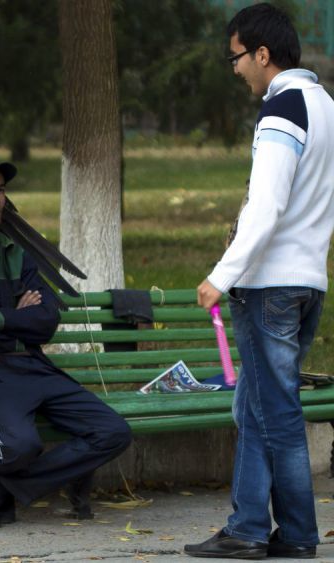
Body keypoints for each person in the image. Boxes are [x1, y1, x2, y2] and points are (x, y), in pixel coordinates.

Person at [189, 3, 334, 560]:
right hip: (306, 282)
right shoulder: (323, 105)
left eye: (237, 58)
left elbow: (268, 204)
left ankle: (296, 534)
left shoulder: (281, 110)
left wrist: (221, 276)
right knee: (255, 407)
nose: (235, 69)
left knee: (275, 413)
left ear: (263, 54)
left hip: (270, 285)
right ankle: (249, 527)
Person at [0, 155, 132, 528]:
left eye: (0, 190)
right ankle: (6, 485)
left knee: (112, 431)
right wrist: (15, 315)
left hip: (31, 365)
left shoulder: (15, 254)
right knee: (22, 445)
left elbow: (46, 320)